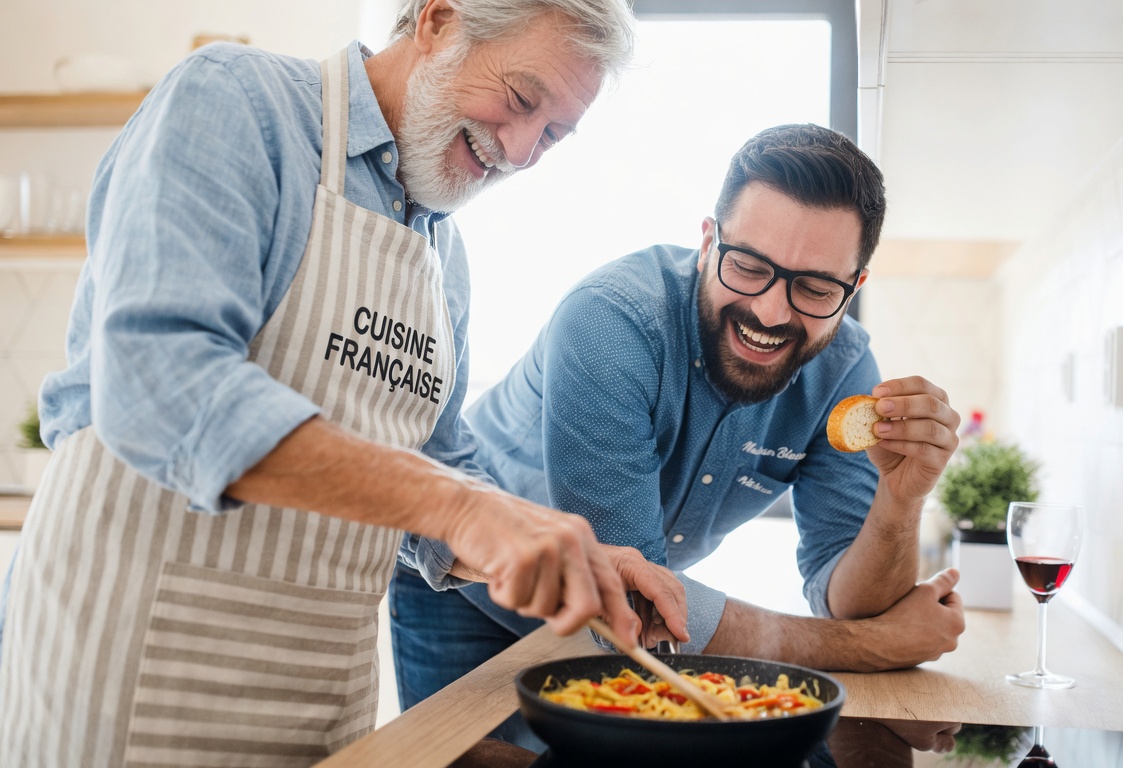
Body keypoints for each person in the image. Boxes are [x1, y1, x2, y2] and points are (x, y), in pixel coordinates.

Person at [0, 0, 689, 764]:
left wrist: (560, 553)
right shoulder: (238, 101)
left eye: (554, 134)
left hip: (316, 692)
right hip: (128, 665)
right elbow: (160, 385)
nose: (523, 151)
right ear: (436, 21)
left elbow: (435, 477)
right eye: (522, 100)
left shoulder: (443, 256)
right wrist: (462, 508)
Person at [390, 124, 968, 721]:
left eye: (816, 287)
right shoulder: (611, 321)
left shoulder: (845, 371)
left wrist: (901, 500)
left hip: (617, 627)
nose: (771, 311)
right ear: (708, 243)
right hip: (465, 591)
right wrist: (872, 648)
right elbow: (632, 605)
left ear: (852, 289)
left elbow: (849, 602)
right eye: (747, 265)